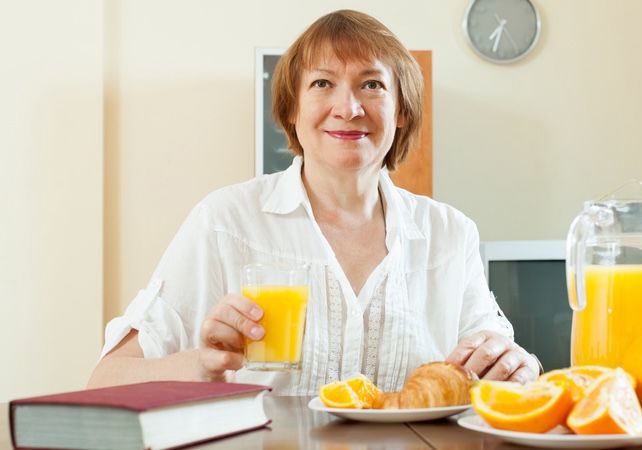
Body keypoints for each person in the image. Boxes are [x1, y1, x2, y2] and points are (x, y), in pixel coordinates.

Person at [87, 9, 541, 395]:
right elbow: (105, 380)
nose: (348, 108)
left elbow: (498, 367)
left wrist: (518, 367)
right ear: (292, 109)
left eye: (372, 85)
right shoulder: (226, 221)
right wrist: (201, 366)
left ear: (402, 110)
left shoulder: (450, 233)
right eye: (323, 83)